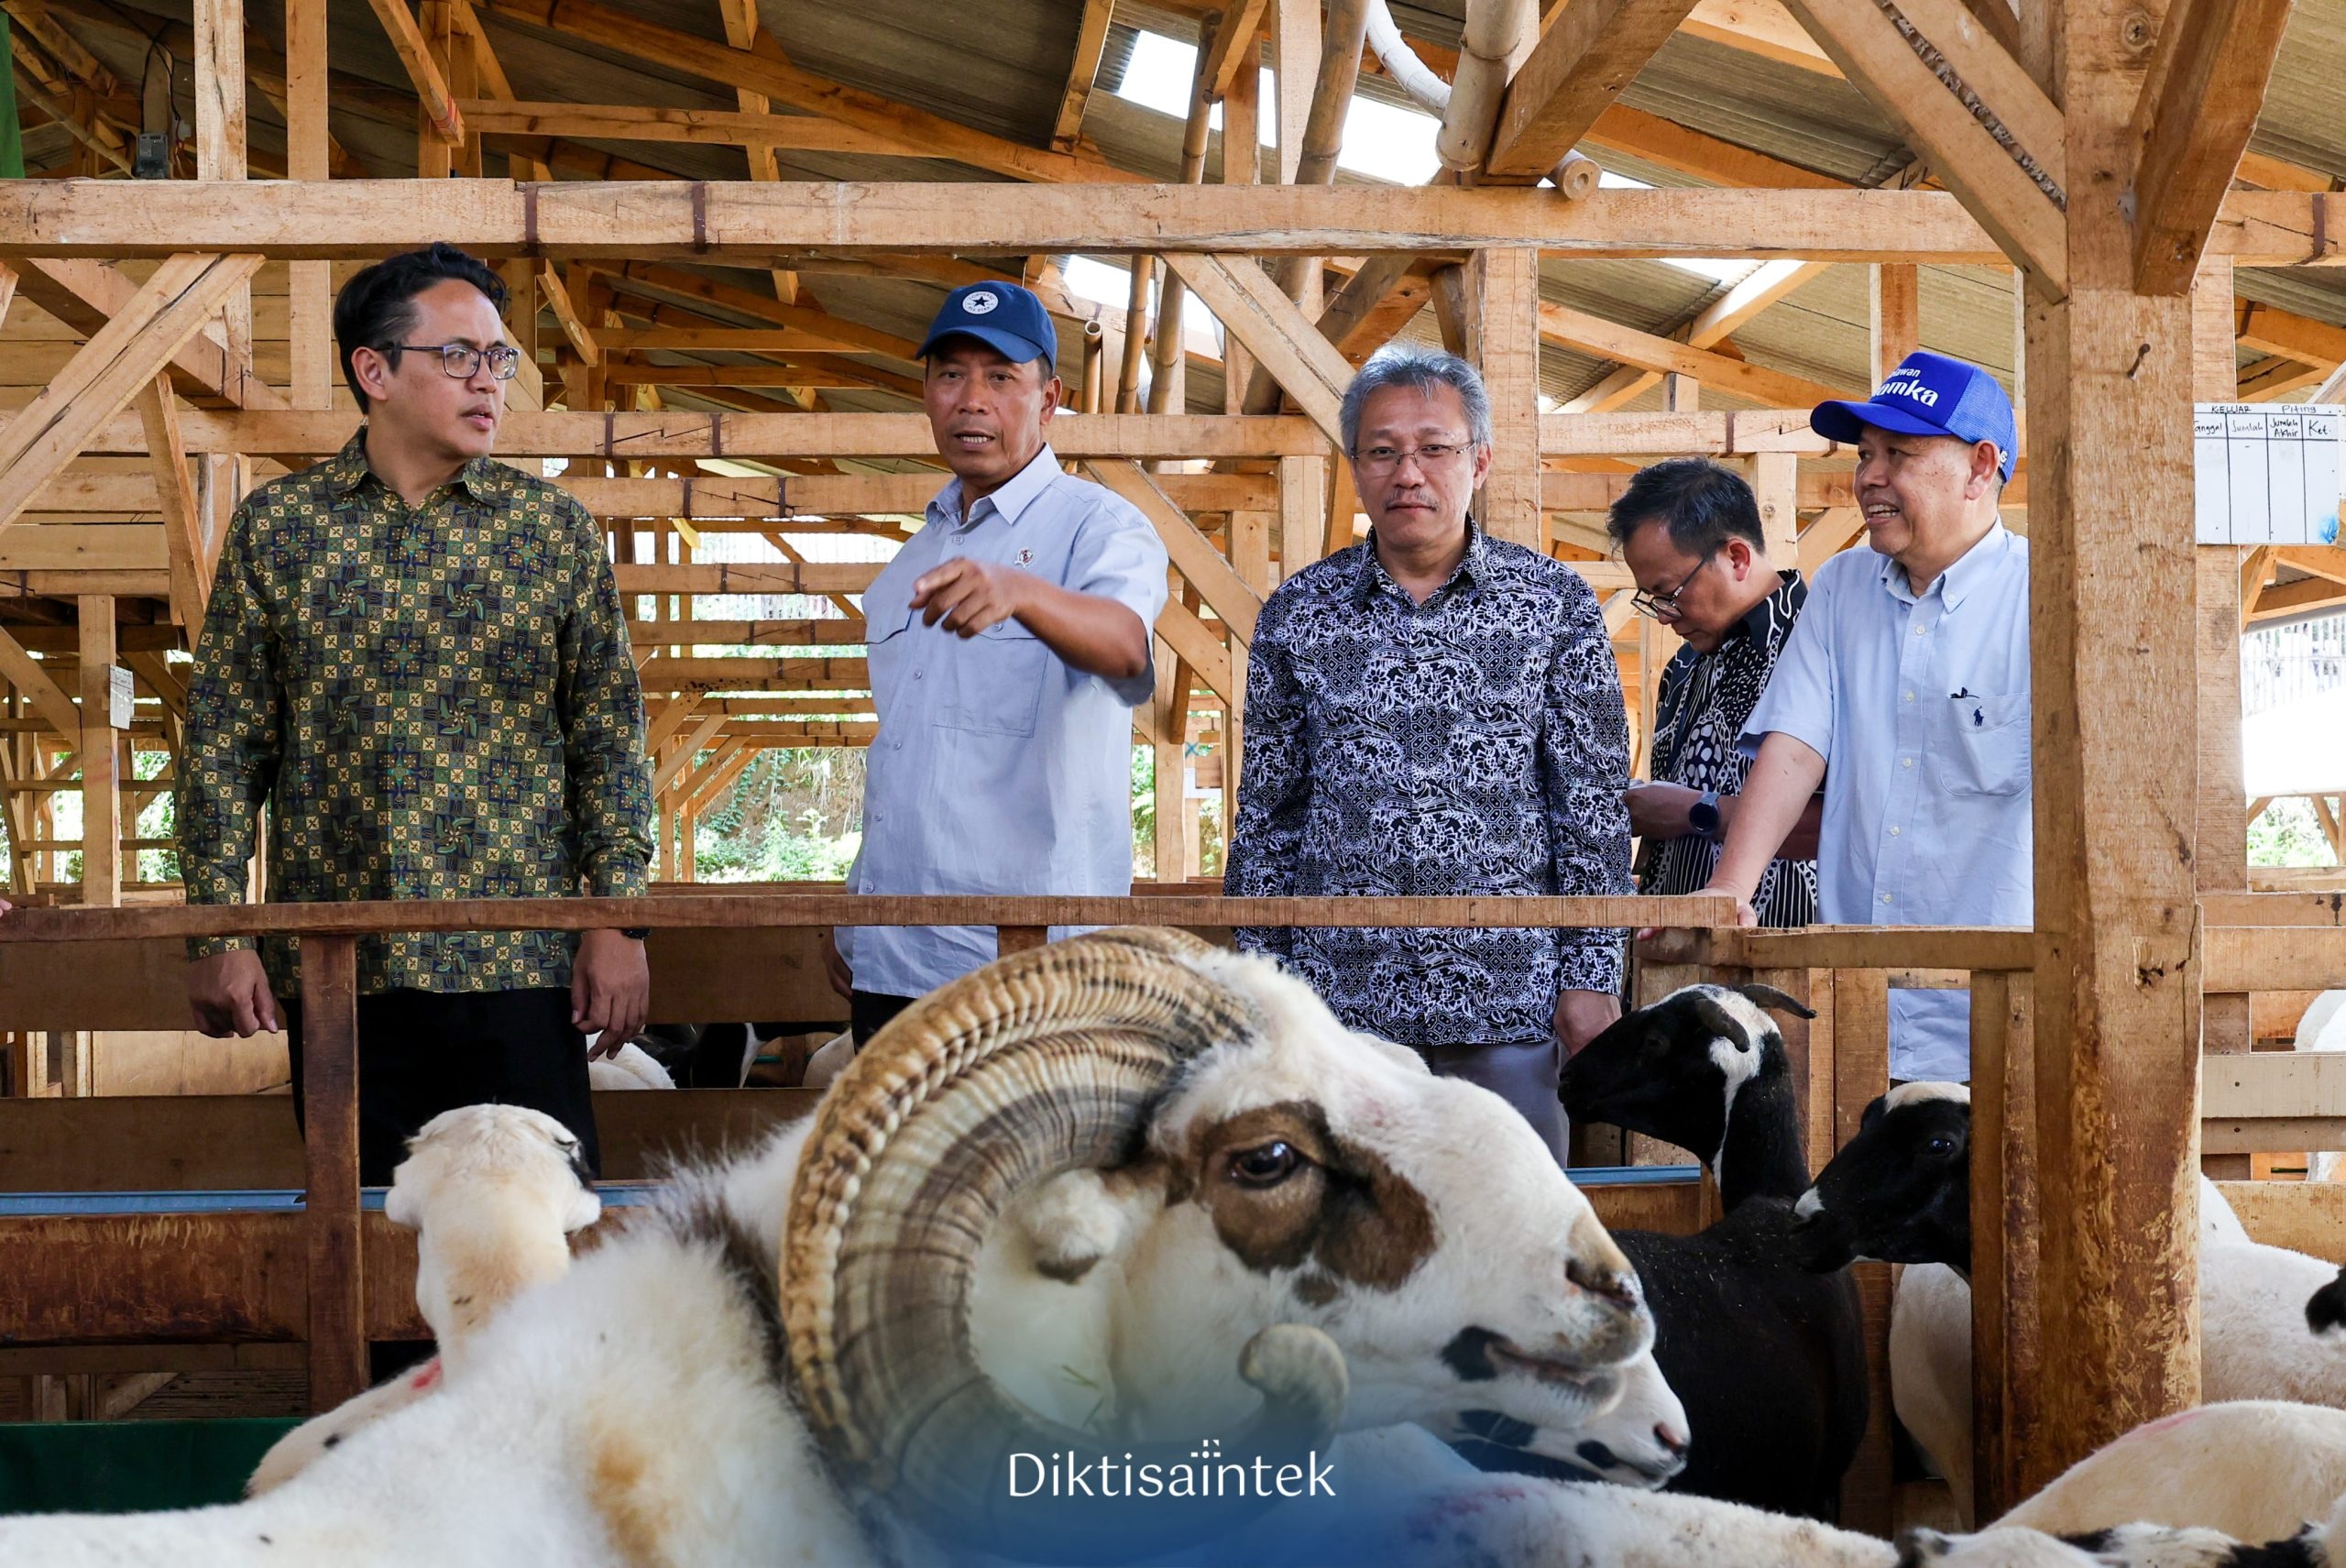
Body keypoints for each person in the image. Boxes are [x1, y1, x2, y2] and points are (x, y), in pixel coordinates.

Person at [176, 243, 653, 1183]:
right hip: (340, 969)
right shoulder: (280, 530)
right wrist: (218, 933)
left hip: (523, 964)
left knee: (538, 1241)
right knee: (364, 1246)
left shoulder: (550, 533)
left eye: (500, 358)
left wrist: (617, 920)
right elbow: (226, 745)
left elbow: (608, 737)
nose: (491, 382)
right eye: (461, 356)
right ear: (374, 370)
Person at [1223, 345, 1633, 1161]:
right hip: (1339, 1010)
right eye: (1383, 451)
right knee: (1350, 1254)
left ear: (1479, 461)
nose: (1408, 471)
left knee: (1513, 1253)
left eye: (1434, 448)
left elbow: (1589, 806)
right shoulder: (1299, 612)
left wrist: (1591, 978)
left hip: (1508, 1000)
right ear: (1357, 468)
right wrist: (1261, 990)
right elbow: (1269, 817)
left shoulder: (1551, 605)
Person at [821, 282, 1169, 1045]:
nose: (970, 399)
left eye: (1001, 377)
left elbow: (1124, 647)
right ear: (926, 393)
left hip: (1030, 969)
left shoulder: (1099, 527)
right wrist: (860, 899)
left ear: (1050, 400)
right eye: (950, 375)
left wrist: (1023, 593)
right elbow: (905, 754)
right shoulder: (909, 563)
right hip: (894, 952)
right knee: (899, 1166)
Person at [1700, 350, 2028, 1083]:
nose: (1869, 477)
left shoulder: (2044, 596)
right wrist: (1731, 886)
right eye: (1865, 454)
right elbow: (1794, 747)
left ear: (1981, 467)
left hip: (2001, 1019)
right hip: (1859, 1016)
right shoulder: (1845, 585)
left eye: (1900, 455)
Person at [1611, 458, 1818, 927]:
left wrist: (1695, 812)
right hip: (1677, 958)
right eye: (1652, 600)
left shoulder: (1819, 644)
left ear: (1737, 557)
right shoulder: (1683, 667)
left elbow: (1851, 825)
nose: (1664, 615)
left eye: (1670, 592)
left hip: (1790, 956)